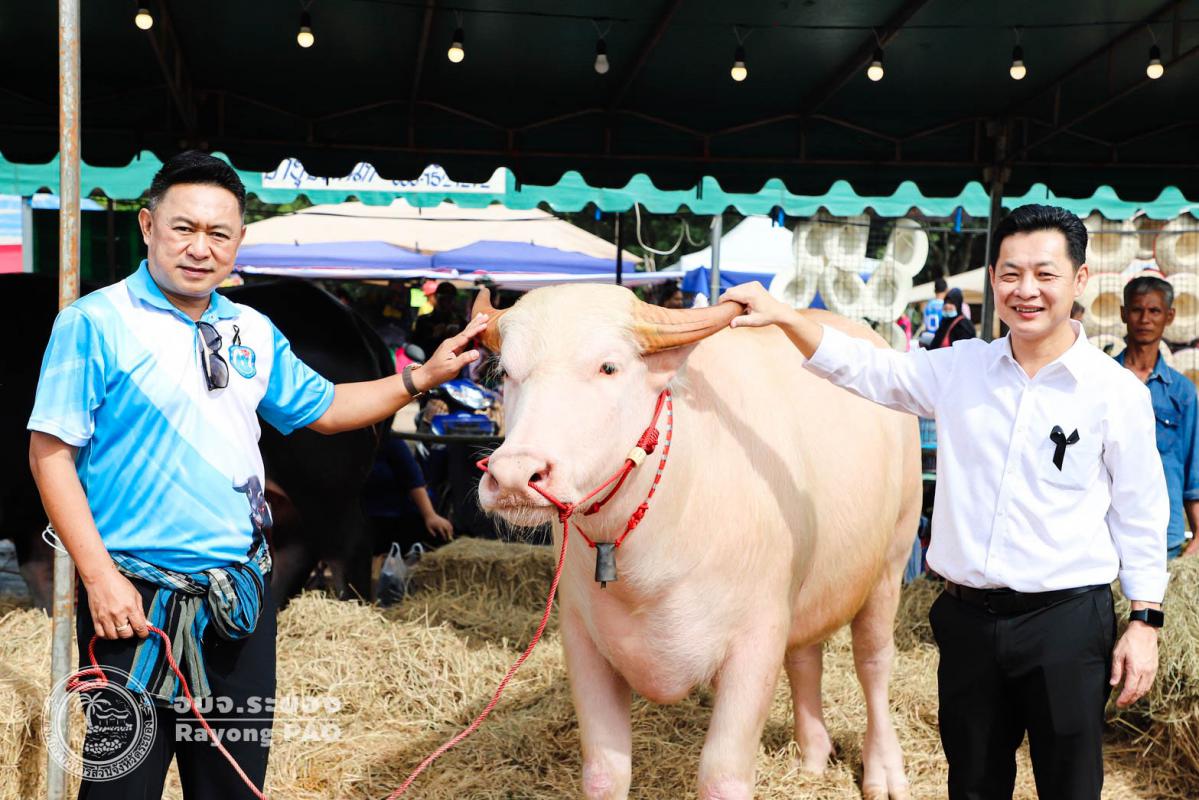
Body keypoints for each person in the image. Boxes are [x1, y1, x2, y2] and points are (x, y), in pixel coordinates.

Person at [26, 151, 488, 800]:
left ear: (238, 241)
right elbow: (49, 453)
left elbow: (328, 409)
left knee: (234, 788)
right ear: (148, 226)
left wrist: (423, 376)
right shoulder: (94, 322)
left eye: (219, 233)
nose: (200, 248)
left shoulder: (252, 329)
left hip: (239, 601)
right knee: (119, 792)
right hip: (131, 604)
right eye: (184, 228)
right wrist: (100, 580)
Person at [721, 203, 1167, 800]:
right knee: (973, 784)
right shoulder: (962, 369)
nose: (1026, 290)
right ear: (993, 279)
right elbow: (866, 368)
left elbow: (1140, 513)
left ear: (1079, 279)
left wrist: (1144, 621)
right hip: (968, 624)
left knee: (1070, 786)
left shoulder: (1114, 393)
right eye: (1010, 274)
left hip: (1065, 624)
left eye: (1045, 274)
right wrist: (783, 317)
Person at [1115, 275, 1199, 559]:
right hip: (1106, 532)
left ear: (1169, 316)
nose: (1145, 319)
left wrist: (1198, 532)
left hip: (1163, 535)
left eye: (1154, 311)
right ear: (1123, 313)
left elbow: (1193, 467)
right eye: (1137, 310)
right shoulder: (1102, 380)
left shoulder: (1182, 392)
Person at [363, 434, 455, 554]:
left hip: (393, 518)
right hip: (360, 519)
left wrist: (430, 515)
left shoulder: (389, 440)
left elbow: (413, 479)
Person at [412, 281, 467, 357]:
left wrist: (457, 337)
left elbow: (468, 347)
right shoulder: (423, 321)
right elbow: (416, 347)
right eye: (443, 299)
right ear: (435, 297)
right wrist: (433, 335)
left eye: (449, 299)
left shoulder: (461, 322)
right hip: (429, 361)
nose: (446, 303)